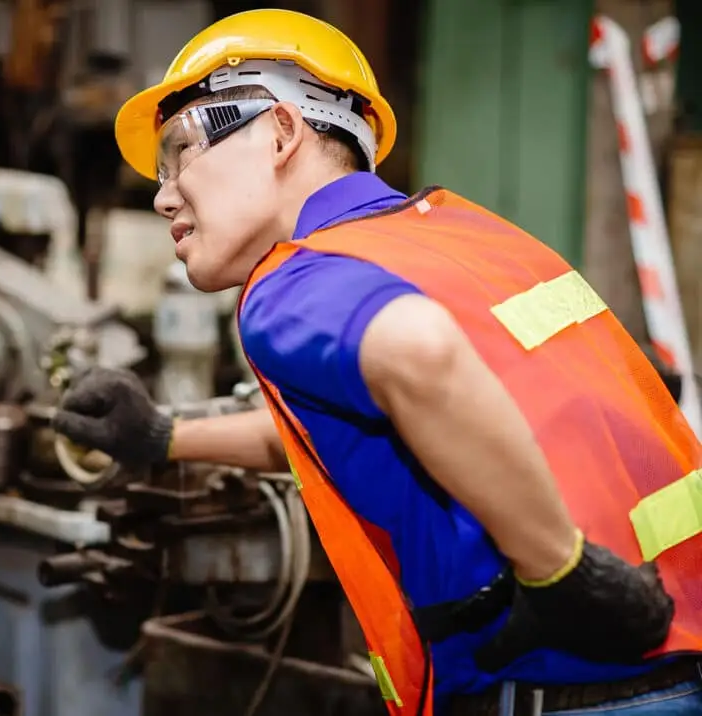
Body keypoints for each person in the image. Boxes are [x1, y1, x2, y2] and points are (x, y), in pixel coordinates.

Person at [52, 9, 702, 715]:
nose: (163, 193)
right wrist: (166, 437)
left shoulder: (292, 282)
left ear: (279, 131)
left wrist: (559, 571)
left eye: (180, 151)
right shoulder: (465, 235)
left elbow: (418, 351)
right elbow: (397, 404)